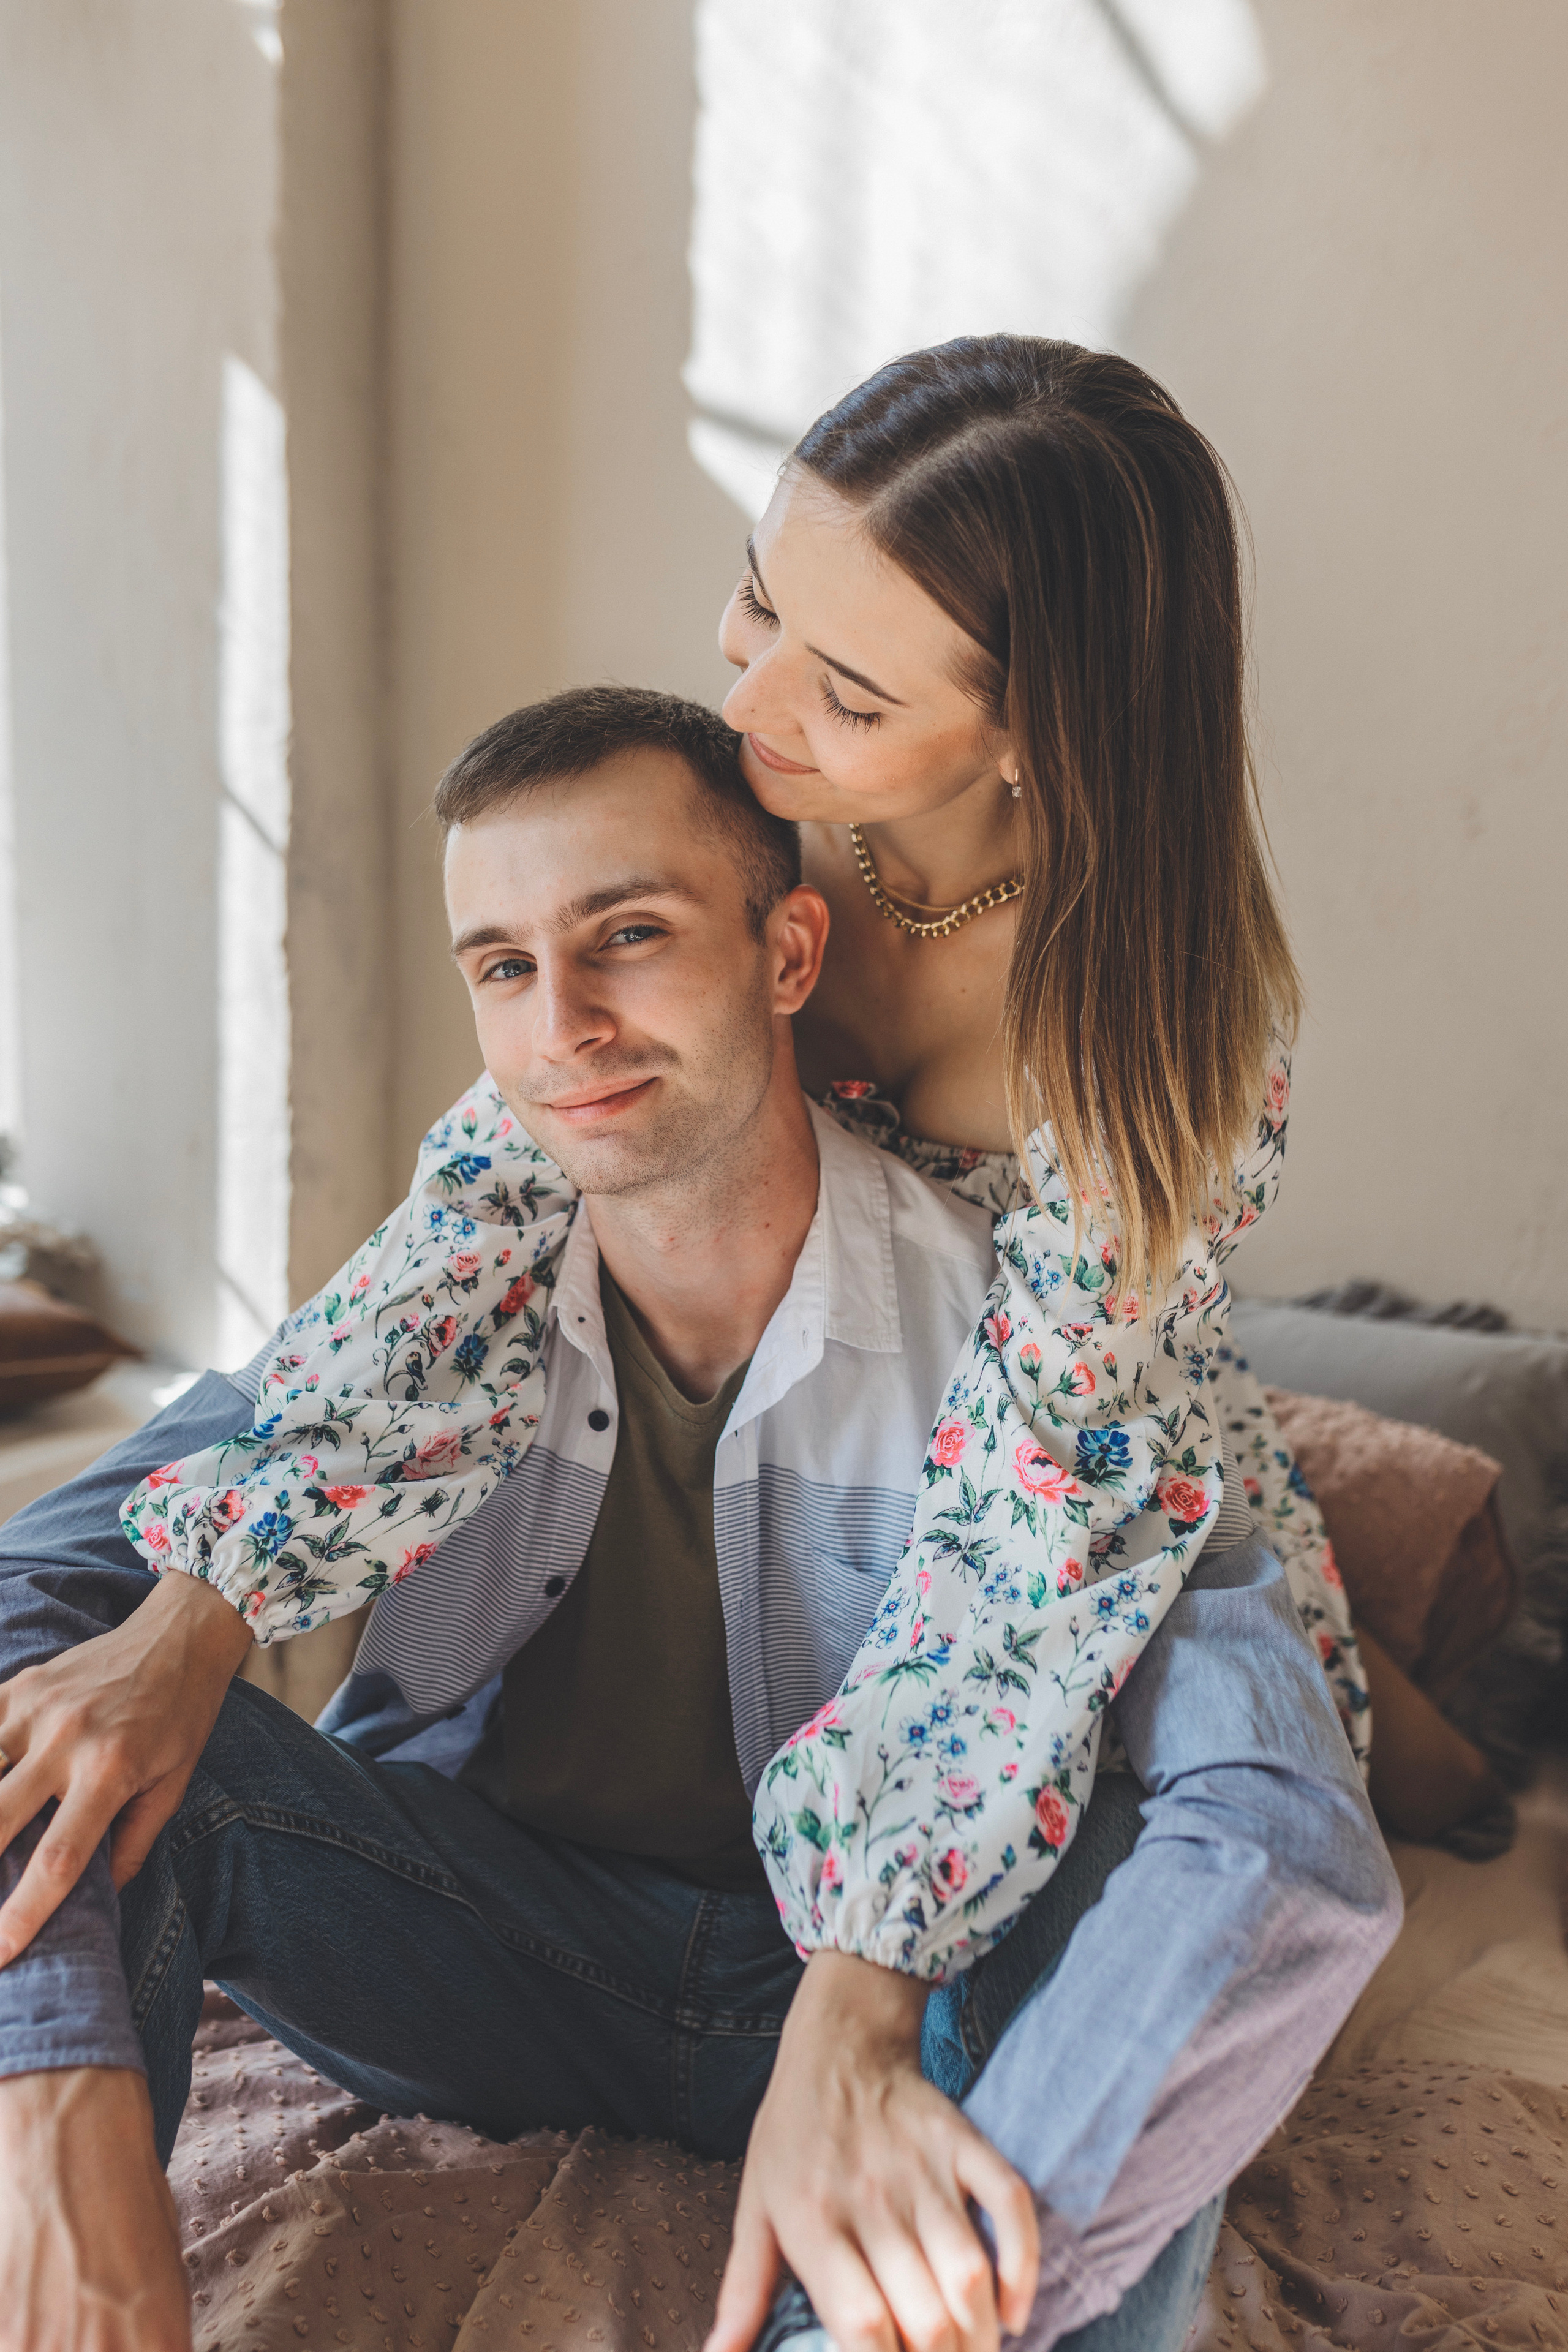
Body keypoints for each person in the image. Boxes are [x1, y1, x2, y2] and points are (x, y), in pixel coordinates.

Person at [0, 690, 1399, 2352]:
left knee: (1117, 1843)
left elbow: (1265, 1812)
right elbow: (45, 1587)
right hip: (518, 1961)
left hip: (891, 2009)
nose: (563, 1026)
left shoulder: (1039, 1352)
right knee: (86, 1734)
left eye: (631, 936)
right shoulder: (438, 1304)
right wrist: (53, 2098)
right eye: (505, 968)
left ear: (790, 958)